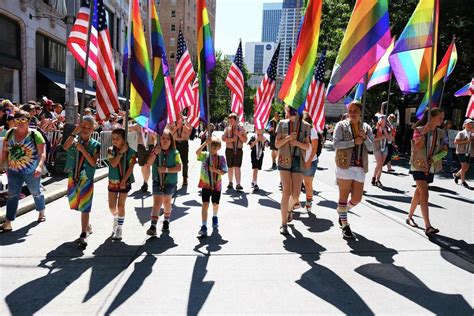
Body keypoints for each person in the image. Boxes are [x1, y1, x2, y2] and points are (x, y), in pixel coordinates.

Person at [333, 101, 374, 239]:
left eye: (355, 110)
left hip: (360, 166)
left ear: (361, 112)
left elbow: (371, 147)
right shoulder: (341, 125)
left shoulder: (366, 127)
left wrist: (365, 138)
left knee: (357, 198)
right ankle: (345, 224)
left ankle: (342, 211)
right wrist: (353, 142)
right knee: (343, 195)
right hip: (345, 164)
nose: (352, 113)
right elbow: (335, 144)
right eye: (350, 110)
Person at [0, 111, 47, 232]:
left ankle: (41, 211)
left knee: (35, 192)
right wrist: (0, 164)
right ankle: (8, 222)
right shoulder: (10, 133)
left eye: (23, 119)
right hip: (13, 171)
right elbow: (5, 151)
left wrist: (39, 166)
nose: (20, 122)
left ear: (28, 120)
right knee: (12, 195)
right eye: (17, 119)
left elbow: (42, 153)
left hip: (31, 171)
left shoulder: (35, 134)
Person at [406, 108, 447, 236]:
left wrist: (434, 159)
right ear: (432, 117)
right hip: (418, 165)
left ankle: (409, 216)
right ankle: (428, 226)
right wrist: (424, 131)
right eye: (440, 117)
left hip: (431, 166)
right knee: (424, 193)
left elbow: (445, 150)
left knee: (419, 193)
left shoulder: (441, 133)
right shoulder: (418, 130)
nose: (442, 119)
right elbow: (417, 147)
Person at [63, 116, 101, 247]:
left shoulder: (96, 144)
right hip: (73, 176)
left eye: (88, 128)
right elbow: (65, 147)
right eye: (83, 126)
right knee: (75, 204)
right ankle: (87, 226)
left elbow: (92, 162)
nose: (85, 129)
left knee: (85, 206)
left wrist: (82, 150)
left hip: (86, 178)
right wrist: (74, 132)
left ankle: (83, 234)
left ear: (93, 129)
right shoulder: (74, 140)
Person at [275, 106, 310, 235]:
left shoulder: (306, 126)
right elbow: (277, 144)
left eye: (289, 111)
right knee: (286, 191)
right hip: (284, 159)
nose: (287, 113)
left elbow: (307, 146)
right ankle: (283, 223)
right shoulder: (282, 124)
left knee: (295, 195)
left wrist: (297, 144)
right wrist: (289, 138)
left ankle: (289, 209)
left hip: (297, 160)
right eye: (288, 111)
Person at [146, 129, 182, 236]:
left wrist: (165, 169)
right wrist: (155, 154)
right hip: (157, 181)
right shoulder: (156, 151)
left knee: (167, 202)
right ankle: (153, 226)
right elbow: (148, 163)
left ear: (171, 141)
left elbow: (179, 167)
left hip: (170, 182)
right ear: (159, 140)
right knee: (157, 202)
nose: (165, 140)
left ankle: (166, 220)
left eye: (168, 139)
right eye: (163, 138)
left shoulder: (175, 153)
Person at [107, 128, 137, 240]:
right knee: (112, 207)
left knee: (121, 205)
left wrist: (124, 180)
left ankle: (119, 228)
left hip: (125, 181)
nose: (114, 141)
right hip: (113, 180)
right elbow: (113, 164)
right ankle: (116, 217)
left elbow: (130, 168)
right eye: (113, 138)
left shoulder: (132, 152)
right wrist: (120, 152)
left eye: (117, 138)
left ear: (124, 139)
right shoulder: (111, 150)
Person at [196, 136, 228, 238]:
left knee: (215, 204)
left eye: (214, 148)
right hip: (206, 185)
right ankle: (204, 226)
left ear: (218, 148)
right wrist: (205, 143)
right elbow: (197, 153)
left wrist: (215, 170)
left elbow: (224, 171)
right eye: (210, 147)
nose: (212, 149)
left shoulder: (221, 158)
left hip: (216, 186)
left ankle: (214, 216)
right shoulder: (205, 156)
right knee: (205, 204)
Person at [222, 113, 247, 191]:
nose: (230, 122)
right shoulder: (227, 129)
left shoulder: (242, 129)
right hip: (229, 150)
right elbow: (223, 138)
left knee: (237, 166)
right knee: (230, 167)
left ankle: (238, 184)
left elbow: (245, 140)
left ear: (236, 120)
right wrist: (232, 139)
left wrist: (239, 135)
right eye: (229, 120)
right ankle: (230, 182)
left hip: (238, 150)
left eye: (232, 120)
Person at [301, 112, 319, 213]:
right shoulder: (299, 130)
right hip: (299, 160)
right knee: (296, 183)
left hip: (310, 161)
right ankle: (295, 202)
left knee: (307, 184)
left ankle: (308, 203)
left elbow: (314, 148)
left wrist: (308, 161)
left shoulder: (312, 131)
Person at [129, 123, 155, 193]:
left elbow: (155, 137)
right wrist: (124, 118)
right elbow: (129, 128)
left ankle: (145, 183)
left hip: (150, 146)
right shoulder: (138, 125)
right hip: (141, 146)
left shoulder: (152, 124)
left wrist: (152, 132)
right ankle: (145, 180)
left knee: (148, 165)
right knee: (143, 165)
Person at [371, 114, 391, 187]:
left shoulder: (387, 129)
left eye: (385, 119)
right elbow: (372, 139)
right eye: (382, 119)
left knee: (381, 164)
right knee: (379, 163)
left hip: (384, 147)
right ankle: (374, 177)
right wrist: (381, 138)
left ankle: (377, 179)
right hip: (377, 147)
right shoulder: (375, 129)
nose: (384, 120)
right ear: (379, 120)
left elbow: (389, 139)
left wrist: (385, 131)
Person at [171, 116, 192, 186]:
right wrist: (176, 127)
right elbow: (171, 134)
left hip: (184, 145)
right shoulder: (174, 127)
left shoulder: (185, 127)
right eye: (177, 120)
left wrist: (184, 126)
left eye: (180, 120)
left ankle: (185, 178)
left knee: (185, 162)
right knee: (174, 162)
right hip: (175, 144)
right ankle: (174, 178)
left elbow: (189, 133)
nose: (179, 121)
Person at [453, 119, 473, 189]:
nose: (470, 125)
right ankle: (463, 182)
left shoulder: (472, 133)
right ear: (464, 125)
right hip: (461, 151)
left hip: (468, 152)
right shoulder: (461, 133)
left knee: (466, 168)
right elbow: (455, 142)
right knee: (464, 166)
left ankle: (456, 175)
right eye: (468, 124)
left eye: (471, 123)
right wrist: (466, 141)